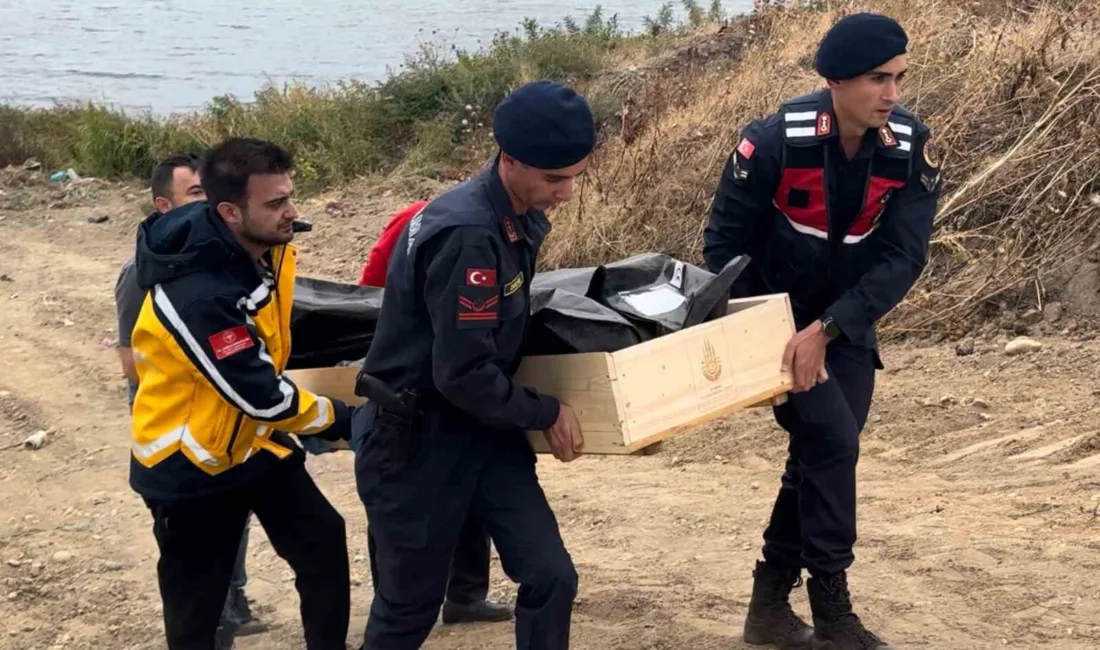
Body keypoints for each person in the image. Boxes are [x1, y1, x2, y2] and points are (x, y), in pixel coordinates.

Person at [703, 13, 942, 650]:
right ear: (836, 81)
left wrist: (830, 328)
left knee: (819, 453)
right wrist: (769, 334)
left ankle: (767, 607)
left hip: (846, 325)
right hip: (774, 325)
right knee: (833, 442)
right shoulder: (772, 142)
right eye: (877, 79)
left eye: (898, 78)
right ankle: (833, 612)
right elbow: (723, 248)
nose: (892, 94)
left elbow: (904, 256)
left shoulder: (910, 146)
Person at [352, 80, 590, 650]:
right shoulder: (468, 235)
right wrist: (546, 411)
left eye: (575, 176)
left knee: (551, 576)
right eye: (554, 179)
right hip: (418, 442)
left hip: (484, 432)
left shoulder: (512, 211)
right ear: (509, 159)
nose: (566, 193)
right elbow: (461, 373)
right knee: (407, 611)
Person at [129, 137, 354, 650]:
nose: (291, 212)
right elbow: (260, 394)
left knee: (322, 541)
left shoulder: (260, 247)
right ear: (229, 211)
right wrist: (341, 418)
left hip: (252, 443)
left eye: (290, 196)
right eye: (275, 203)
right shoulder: (198, 292)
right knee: (198, 610)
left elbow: (270, 336)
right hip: (189, 461)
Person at [114, 153, 267, 644]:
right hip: (172, 431)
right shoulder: (142, 273)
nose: (209, 203)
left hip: (222, 421)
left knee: (233, 516)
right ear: (164, 206)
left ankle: (232, 599)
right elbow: (131, 361)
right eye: (195, 194)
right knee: (188, 541)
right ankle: (210, 618)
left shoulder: (225, 260)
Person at [357, 198, 514, 625]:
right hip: (409, 380)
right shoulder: (424, 218)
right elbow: (369, 291)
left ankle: (466, 596)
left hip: (466, 373)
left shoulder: (504, 222)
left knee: (470, 487)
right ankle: (392, 601)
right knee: (398, 496)